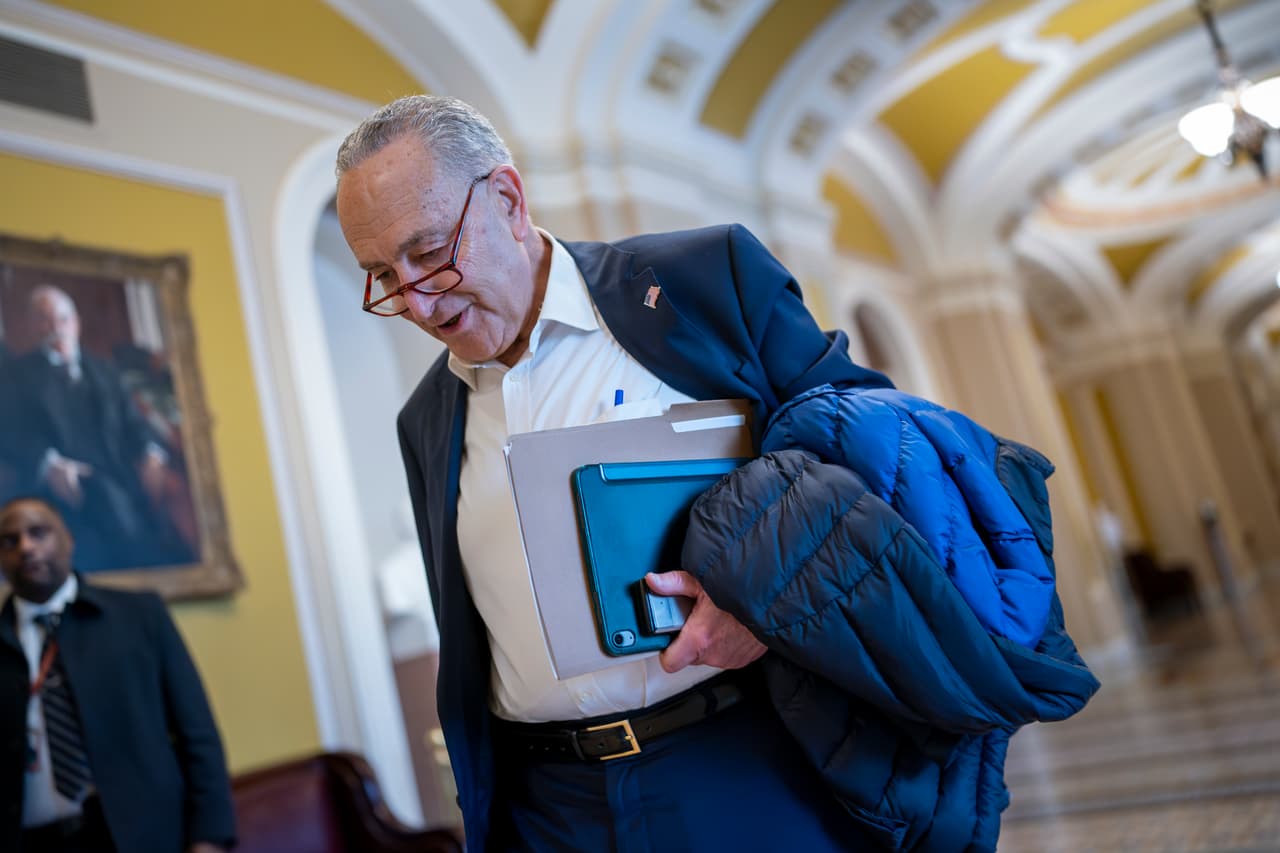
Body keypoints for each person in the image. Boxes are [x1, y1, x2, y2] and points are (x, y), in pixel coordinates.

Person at [334, 95, 1096, 851]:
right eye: (382, 275)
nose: (417, 300)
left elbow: (874, 450)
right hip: (550, 807)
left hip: (747, 762)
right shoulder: (425, 419)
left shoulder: (703, 282)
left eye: (430, 251)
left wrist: (770, 599)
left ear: (505, 197)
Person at [0, 497, 236, 852]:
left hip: (141, 836)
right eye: (10, 540)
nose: (26, 547)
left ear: (68, 540)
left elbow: (197, 732)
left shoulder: (139, 616)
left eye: (39, 533)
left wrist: (209, 836)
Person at [0, 285, 194, 572]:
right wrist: (49, 463)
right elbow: (10, 433)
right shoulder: (17, 377)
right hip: (64, 482)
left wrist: (152, 453)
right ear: (32, 326)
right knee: (108, 506)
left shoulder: (104, 371)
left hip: (121, 472)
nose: (56, 327)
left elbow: (135, 423)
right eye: (44, 319)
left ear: (75, 323)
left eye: (62, 319)